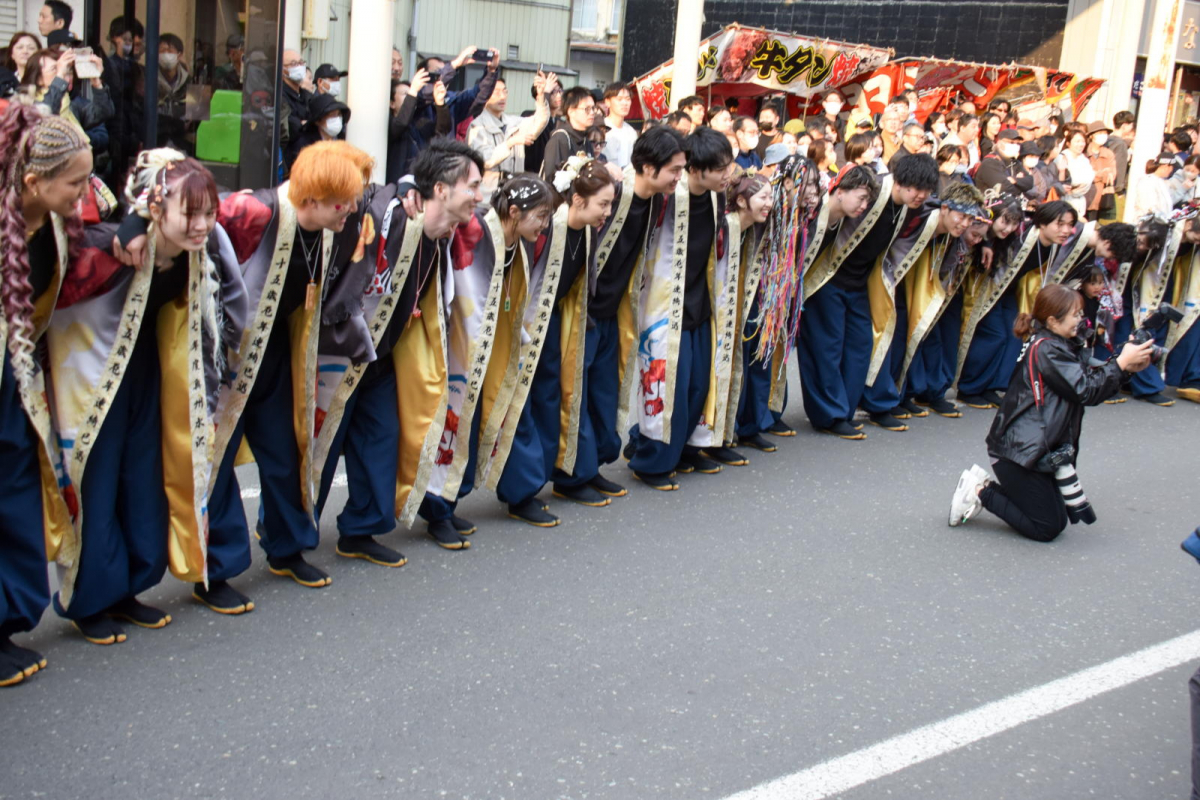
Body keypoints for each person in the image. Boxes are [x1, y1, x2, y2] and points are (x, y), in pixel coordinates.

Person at [949, 283, 1154, 541]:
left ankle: (989, 486)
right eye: (1076, 315)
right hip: (1018, 453)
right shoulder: (1049, 349)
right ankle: (978, 490)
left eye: (1081, 313)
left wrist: (1126, 367)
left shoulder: (1058, 344)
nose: (1082, 320)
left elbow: (1095, 380)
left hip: (1032, 448)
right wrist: (1122, 363)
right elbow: (1086, 390)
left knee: (1057, 519)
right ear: (1053, 320)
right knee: (1046, 528)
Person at [0, 103, 89, 683]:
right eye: (75, 183)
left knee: (14, 491)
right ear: (33, 182)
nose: (86, 193)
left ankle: (6, 621)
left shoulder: (54, 217)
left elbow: (120, 202)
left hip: (17, 376)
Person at [488, 159, 614, 522]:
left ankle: (558, 474)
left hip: (556, 323)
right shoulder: (546, 229)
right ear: (576, 199)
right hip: (525, 326)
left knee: (552, 399)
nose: (608, 211)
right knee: (522, 406)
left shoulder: (585, 228)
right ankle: (520, 491)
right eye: (603, 204)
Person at [628, 126, 738, 489]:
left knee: (696, 383)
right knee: (666, 385)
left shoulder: (714, 198)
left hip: (699, 303)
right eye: (720, 168)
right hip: (664, 307)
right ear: (695, 169)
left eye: (730, 166)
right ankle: (651, 462)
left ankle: (685, 450)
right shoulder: (667, 198)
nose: (728, 174)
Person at [795, 163, 882, 440]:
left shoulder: (842, 218)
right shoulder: (810, 211)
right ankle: (827, 414)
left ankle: (839, 411)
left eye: (869, 200)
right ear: (841, 191)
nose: (865, 205)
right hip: (792, 287)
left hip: (822, 282)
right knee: (825, 348)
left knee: (855, 344)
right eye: (862, 197)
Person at [956, 199, 1036, 408]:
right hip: (980, 293)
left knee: (1013, 333)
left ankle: (992, 386)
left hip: (1003, 292)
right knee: (995, 335)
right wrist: (984, 243)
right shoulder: (981, 233)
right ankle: (970, 386)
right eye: (1005, 221)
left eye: (1013, 224)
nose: (1008, 229)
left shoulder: (1010, 241)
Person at [467, 72, 554, 201]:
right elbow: (485, 160)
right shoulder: (477, 126)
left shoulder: (514, 122)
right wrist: (510, 143)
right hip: (487, 197)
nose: (502, 96)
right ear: (484, 95)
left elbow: (539, 121)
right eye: (496, 92)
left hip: (513, 194)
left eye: (505, 91)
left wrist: (540, 96)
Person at [541, 86, 598, 181]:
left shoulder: (585, 140)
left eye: (593, 108)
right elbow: (551, 180)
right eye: (587, 109)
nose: (592, 112)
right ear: (571, 111)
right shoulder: (560, 139)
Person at [285, 92, 350, 169]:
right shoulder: (304, 145)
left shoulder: (340, 139)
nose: (337, 119)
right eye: (332, 115)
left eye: (339, 114)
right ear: (318, 121)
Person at [974, 129, 1022, 196]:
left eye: (1018, 143)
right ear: (1000, 143)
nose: (1015, 146)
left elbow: (1028, 182)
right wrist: (1019, 184)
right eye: (1011, 142)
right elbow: (1004, 187)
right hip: (992, 203)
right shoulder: (990, 163)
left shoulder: (1013, 163)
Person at [603, 82, 636, 169]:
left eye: (628, 99)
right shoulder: (601, 128)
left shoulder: (631, 132)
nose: (625, 103)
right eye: (619, 99)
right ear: (607, 102)